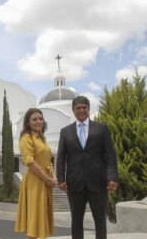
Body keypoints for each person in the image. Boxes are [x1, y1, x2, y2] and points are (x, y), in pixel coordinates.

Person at [56, 96, 118, 239]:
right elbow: (60, 157)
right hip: (74, 183)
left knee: (100, 221)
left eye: (84, 107)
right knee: (76, 221)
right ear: (73, 110)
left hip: (98, 182)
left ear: (89, 109)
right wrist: (60, 178)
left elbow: (110, 155)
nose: (81, 110)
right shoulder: (65, 131)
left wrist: (112, 177)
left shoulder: (101, 128)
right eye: (78, 107)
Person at [15, 108, 57, 239]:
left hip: (45, 181)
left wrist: (54, 177)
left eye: (40, 118)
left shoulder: (42, 139)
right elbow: (30, 163)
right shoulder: (26, 138)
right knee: (35, 217)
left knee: (42, 215)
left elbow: (48, 161)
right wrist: (47, 179)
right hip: (35, 181)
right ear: (28, 123)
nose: (38, 121)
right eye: (34, 119)